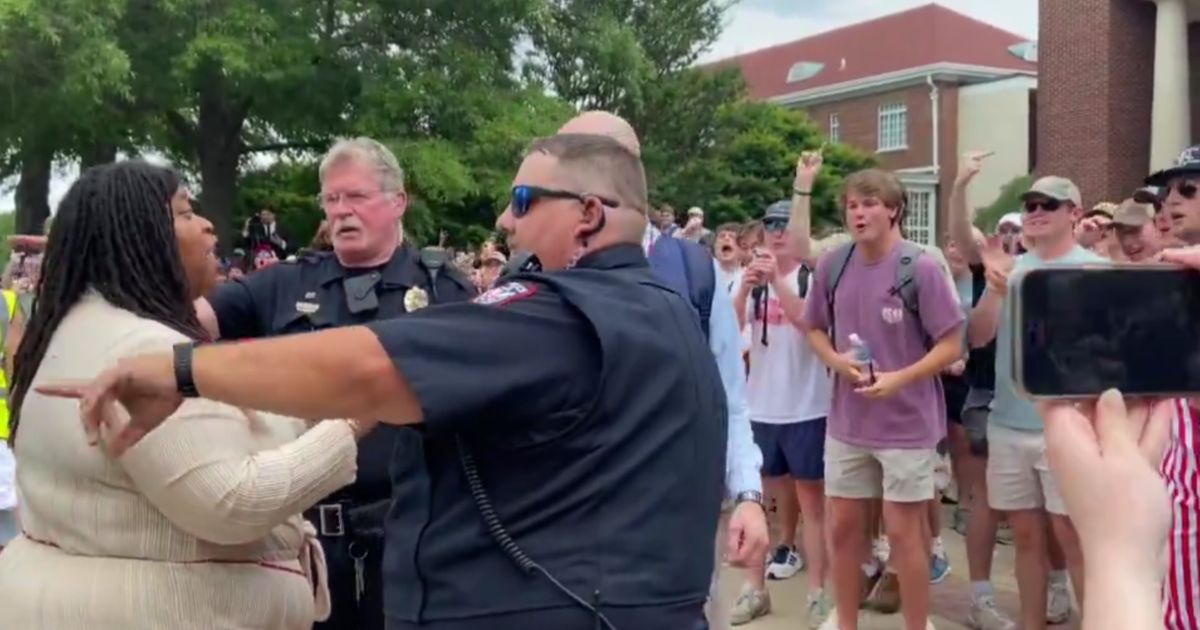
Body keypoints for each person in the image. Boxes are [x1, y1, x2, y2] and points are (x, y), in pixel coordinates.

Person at [50, 133, 727, 630]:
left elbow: (372, 368)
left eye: (523, 200)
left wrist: (180, 372)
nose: (506, 220)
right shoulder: (661, 308)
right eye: (330, 198)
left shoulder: (553, 313)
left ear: (589, 213)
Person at [0, 160, 371, 629]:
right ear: (141, 236)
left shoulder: (72, 330)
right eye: (185, 212)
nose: (207, 225)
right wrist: (352, 419)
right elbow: (230, 502)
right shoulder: (142, 349)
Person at [195, 137, 475, 630]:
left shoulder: (442, 290)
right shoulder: (284, 284)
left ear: (397, 202)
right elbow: (190, 322)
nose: (341, 211)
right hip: (302, 544)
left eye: (357, 197)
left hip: (413, 542)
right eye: (331, 199)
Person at [558, 110, 768, 630]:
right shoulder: (542, 268)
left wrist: (747, 495)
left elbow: (729, 397)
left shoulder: (693, 272)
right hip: (571, 518)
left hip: (676, 520)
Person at [803, 168, 965, 630]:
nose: (858, 212)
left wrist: (899, 378)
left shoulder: (921, 267)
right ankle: (846, 621)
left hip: (907, 425)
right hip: (847, 422)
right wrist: (834, 360)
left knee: (903, 534)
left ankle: (918, 624)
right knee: (844, 529)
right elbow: (812, 327)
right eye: (852, 205)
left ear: (894, 209)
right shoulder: (833, 265)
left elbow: (952, 345)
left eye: (869, 203)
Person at [969, 176, 1101, 630]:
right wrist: (993, 290)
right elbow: (978, 337)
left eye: (1049, 204)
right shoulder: (1011, 270)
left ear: (1075, 214)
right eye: (1030, 205)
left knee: (1070, 537)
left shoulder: (1095, 271)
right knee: (1025, 535)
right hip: (1008, 423)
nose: (1036, 211)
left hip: (1068, 425)